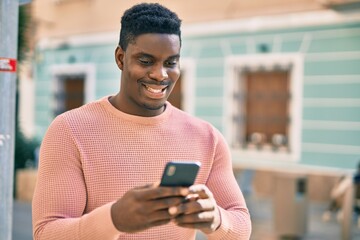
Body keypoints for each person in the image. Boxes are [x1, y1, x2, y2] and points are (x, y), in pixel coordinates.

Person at [32, 3, 251, 240]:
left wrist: (216, 219)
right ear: (120, 58)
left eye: (171, 62)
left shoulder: (208, 138)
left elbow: (241, 228)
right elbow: (47, 233)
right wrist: (114, 219)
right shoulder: (69, 130)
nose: (160, 74)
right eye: (146, 61)